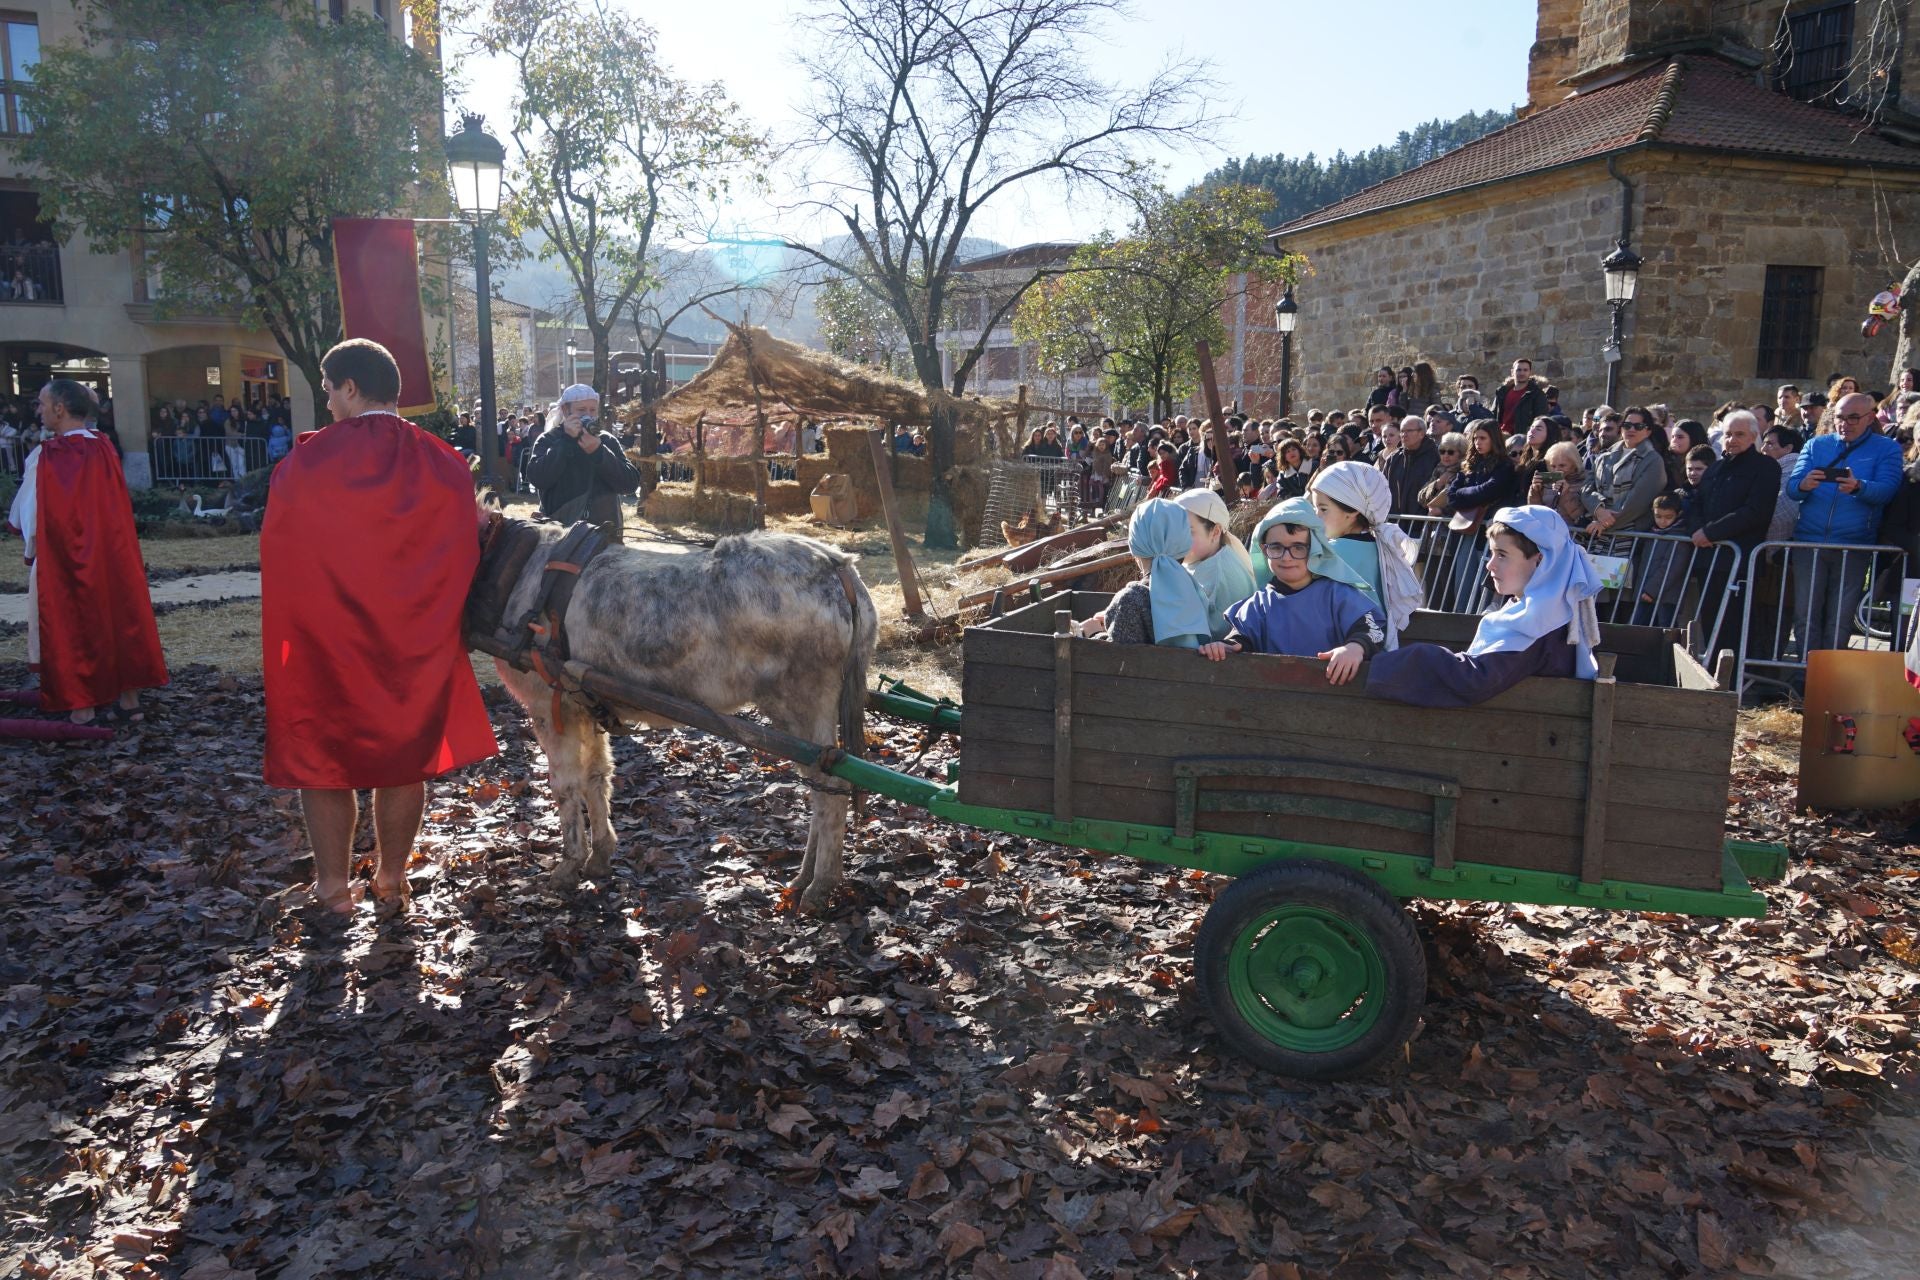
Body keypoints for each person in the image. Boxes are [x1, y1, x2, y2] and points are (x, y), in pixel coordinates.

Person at [260, 338, 499, 918]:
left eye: (329, 391)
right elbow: (463, 552)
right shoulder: (443, 461)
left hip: (328, 643)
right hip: (414, 643)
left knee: (323, 764)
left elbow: (281, 551)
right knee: (404, 762)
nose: (329, 404)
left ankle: (333, 891)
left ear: (348, 387)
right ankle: (392, 881)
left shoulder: (307, 462)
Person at [5, 379, 168, 725]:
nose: (39, 410)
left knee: (75, 623)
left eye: (42, 403)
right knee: (119, 615)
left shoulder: (47, 456)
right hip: (112, 550)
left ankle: (83, 707)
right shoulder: (104, 446)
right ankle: (129, 699)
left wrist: (33, 550)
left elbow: (31, 515)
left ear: (60, 409)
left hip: (67, 555)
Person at [1368, 506, 1601, 706]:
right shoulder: (1537, 611)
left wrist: (1386, 663)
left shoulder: (1542, 623)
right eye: (1491, 553)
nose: (1489, 565)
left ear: (1540, 560)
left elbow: (1472, 681)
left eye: (1502, 555)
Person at [1200, 497, 1386, 684]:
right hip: (1276, 696)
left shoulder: (1337, 594)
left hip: (1335, 692)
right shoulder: (1259, 604)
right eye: (1276, 547)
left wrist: (1354, 648)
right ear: (1264, 550)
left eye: (1298, 547)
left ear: (1315, 549)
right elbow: (1242, 638)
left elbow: (1370, 628)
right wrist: (1226, 646)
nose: (1286, 557)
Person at [1785, 390, 1904, 654]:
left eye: (1853, 418)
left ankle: (1830, 678)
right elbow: (1792, 488)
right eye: (1840, 417)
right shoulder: (1817, 445)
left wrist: (1858, 487)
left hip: (1853, 545)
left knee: (1839, 619)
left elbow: (1887, 490)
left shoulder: (1887, 448)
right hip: (1810, 543)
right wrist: (1804, 485)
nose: (1845, 423)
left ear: (1869, 417)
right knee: (1805, 616)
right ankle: (1806, 676)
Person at [1307, 460, 1423, 646]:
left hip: (1341, 649)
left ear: (1352, 510)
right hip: (1369, 647)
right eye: (1315, 508)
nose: (1316, 515)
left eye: (1323, 509)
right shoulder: (1379, 547)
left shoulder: (1332, 553)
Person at [1076, 498, 1213, 648]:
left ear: (1135, 547)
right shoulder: (1195, 590)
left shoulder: (1131, 600)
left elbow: (1117, 661)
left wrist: (1091, 632)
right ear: (1184, 545)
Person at [525, 383, 641, 541]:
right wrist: (565, 442)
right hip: (561, 535)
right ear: (566, 410)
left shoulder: (606, 440)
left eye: (592, 410)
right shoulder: (549, 439)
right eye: (581, 410)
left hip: (604, 536)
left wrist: (599, 453)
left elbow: (629, 484)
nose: (588, 415)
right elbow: (538, 478)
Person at [1172, 488, 1258, 640]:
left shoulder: (1220, 577)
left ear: (1215, 532)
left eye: (1188, 531)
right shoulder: (1204, 559)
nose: (1177, 540)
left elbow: (1211, 639)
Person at [1583, 406, 1665, 534]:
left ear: (1648, 431)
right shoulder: (1604, 456)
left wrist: (1604, 522)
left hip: (1629, 533)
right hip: (1597, 529)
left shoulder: (1653, 460)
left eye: (1638, 426)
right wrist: (1598, 510)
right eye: (1627, 425)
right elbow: (1586, 488)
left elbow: (1637, 502)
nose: (1631, 429)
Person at [1491, 358, 1549, 438]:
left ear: (1530, 373)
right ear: (1512, 372)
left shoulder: (1537, 394)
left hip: (1522, 438)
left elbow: (1541, 419)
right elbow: (1493, 415)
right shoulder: (1502, 392)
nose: (1522, 373)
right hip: (1500, 437)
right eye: (1519, 370)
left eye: (1525, 370)